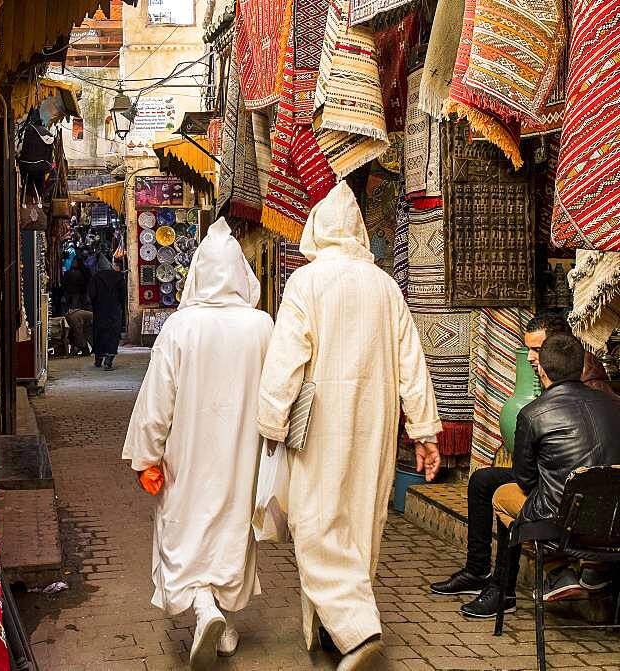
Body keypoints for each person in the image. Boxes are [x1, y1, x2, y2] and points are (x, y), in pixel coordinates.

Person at [255, 182, 442, 670]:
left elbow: (286, 360)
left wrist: (271, 419)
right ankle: (334, 630)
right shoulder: (386, 287)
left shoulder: (306, 283)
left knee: (315, 522)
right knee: (361, 519)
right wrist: (423, 430)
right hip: (375, 419)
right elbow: (412, 362)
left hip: (319, 420)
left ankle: (358, 631)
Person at [122, 219, 273, 671]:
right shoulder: (262, 327)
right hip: (243, 460)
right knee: (231, 532)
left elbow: (156, 401)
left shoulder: (180, 328)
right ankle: (221, 619)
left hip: (186, 460)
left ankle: (205, 609)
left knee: (185, 531)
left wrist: (146, 457)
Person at [429, 314, 618, 613]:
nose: (532, 358)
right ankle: (479, 571)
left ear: (559, 347)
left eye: (538, 350)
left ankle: (508, 587)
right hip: (575, 488)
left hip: (579, 497)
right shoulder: (574, 384)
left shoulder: (588, 385)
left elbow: (538, 474)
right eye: (529, 350)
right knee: (483, 480)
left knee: (507, 495)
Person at [480, 334, 620, 616]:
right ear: (581, 367)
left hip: (563, 525)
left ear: (541, 370)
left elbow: (525, 479)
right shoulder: (615, 403)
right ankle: (596, 568)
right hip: (614, 522)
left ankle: (557, 571)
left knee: (501, 494)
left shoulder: (533, 414)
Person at [88, 253, 125, 370]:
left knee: (99, 333)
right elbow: (122, 295)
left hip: (100, 310)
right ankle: (108, 361)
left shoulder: (95, 277)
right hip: (114, 310)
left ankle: (98, 359)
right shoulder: (119, 277)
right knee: (113, 334)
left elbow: (91, 294)